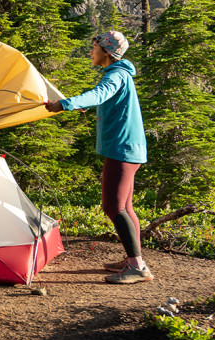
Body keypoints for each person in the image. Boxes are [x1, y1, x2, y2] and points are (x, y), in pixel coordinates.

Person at [46, 31, 152, 284]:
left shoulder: (116, 75)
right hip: (129, 148)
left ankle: (137, 267)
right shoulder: (121, 75)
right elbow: (106, 99)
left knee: (112, 207)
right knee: (126, 207)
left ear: (106, 51)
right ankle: (133, 260)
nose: (91, 51)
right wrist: (82, 104)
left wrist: (65, 104)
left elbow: (100, 94)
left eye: (94, 47)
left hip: (121, 150)